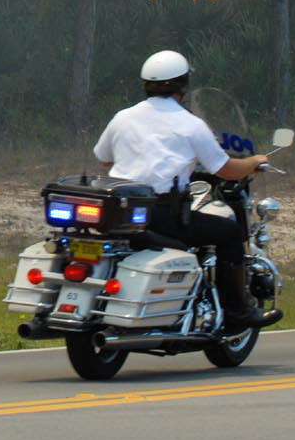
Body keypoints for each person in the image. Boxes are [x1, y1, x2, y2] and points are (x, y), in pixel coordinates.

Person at [92, 49, 283, 331]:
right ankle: (237, 313)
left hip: (119, 214)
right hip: (163, 215)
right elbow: (225, 169)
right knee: (230, 233)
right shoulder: (191, 125)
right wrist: (254, 161)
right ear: (183, 84)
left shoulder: (123, 117)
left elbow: (104, 158)